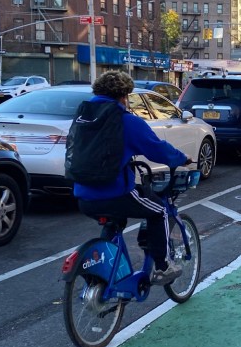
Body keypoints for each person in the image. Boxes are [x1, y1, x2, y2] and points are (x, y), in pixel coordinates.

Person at [73, 71, 191, 285]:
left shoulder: (84, 118)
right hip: (115, 192)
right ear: (123, 96)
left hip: (83, 195)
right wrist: (181, 158)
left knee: (114, 221)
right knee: (160, 211)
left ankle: (104, 275)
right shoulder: (125, 121)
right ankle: (163, 267)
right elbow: (157, 150)